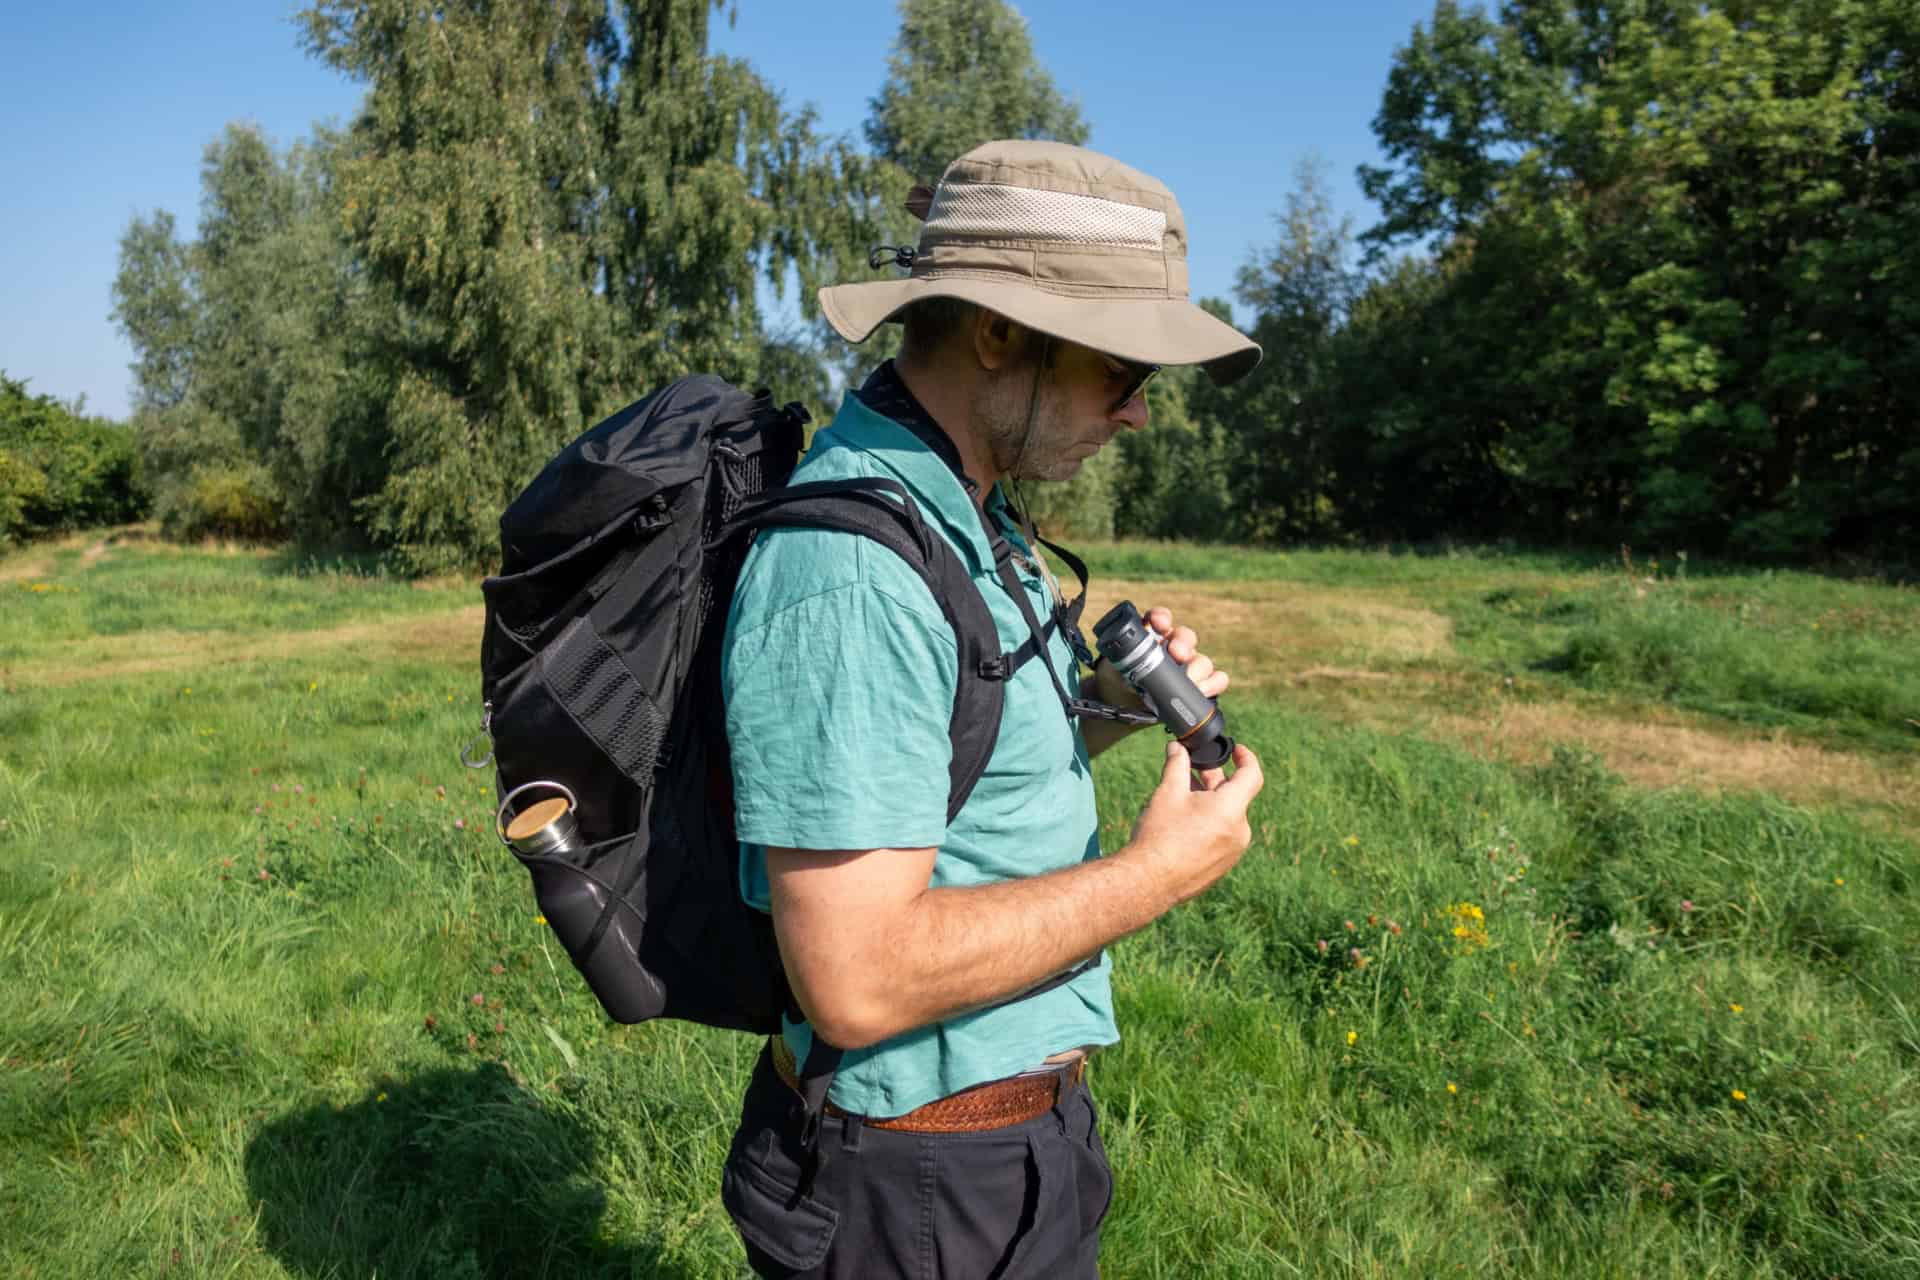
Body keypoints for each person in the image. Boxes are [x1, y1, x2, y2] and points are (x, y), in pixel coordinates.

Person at [719, 139, 1266, 1279]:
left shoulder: (970, 509)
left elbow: (955, 775)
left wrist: (1109, 708)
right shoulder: (853, 570)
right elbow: (857, 976)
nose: (1138, 414)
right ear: (1000, 333)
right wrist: (1159, 870)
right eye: (1123, 369)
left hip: (1014, 1149)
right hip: (911, 1190)